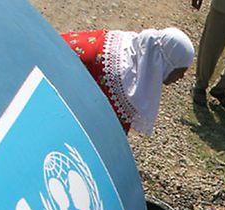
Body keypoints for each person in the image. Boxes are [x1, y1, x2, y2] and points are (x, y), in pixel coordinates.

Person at [61, 28, 194, 134]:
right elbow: (110, 133)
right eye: (180, 71)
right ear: (165, 63)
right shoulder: (125, 86)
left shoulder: (134, 45)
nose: (181, 77)